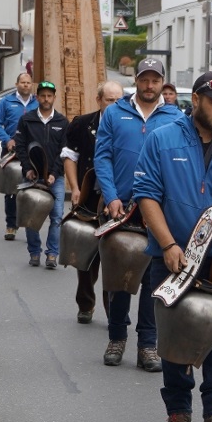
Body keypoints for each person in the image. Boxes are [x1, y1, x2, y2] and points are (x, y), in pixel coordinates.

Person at [134, 72, 212, 422]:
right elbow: (147, 196)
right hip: (170, 257)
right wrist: (169, 245)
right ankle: (179, 412)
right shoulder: (162, 138)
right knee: (175, 334)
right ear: (197, 101)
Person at [94, 58, 183, 370]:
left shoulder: (176, 117)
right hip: (120, 209)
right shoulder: (116, 113)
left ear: (162, 82)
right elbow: (102, 156)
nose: (149, 86)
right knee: (120, 276)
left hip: (158, 211)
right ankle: (116, 337)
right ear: (137, 81)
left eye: (154, 80)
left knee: (152, 280)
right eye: (144, 79)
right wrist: (111, 195)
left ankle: (148, 344)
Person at [62, 80, 124, 323]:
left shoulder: (128, 128)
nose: (115, 105)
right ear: (99, 100)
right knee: (85, 255)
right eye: (110, 100)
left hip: (117, 202)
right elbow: (70, 155)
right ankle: (86, 304)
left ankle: (114, 313)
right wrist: (75, 188)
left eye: (119, 100)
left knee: (114, 257)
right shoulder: (82, 124)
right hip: (89, 197)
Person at [14, 81, 69, 269]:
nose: (46, 99)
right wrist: (28, 168)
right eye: (43, 95)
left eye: (49, 96)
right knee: (32, 216)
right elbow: (20, 146)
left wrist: (54, 173)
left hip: (56, 178)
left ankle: (52, 254)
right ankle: (34, 252)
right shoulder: (27, 119)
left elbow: (65, 151)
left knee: (57, 216)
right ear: (37, 97)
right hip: (31, 176)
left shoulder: (62, 122)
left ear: (54, 98)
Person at [0, 72, 37, 241]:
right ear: (17, 84)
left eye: (28, 83)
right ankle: (11, 225)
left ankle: (30, 225)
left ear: (32, 85)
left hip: (32, 153)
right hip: (11, 152)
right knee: (11, 190)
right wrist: (6, 140)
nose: (25, 85)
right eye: (23, 82)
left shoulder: (37, 102)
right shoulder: (6, 102)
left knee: (31, 189)